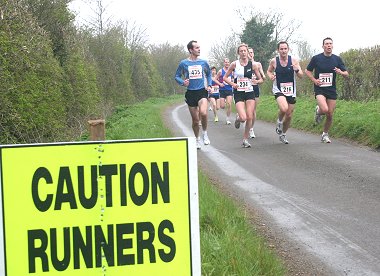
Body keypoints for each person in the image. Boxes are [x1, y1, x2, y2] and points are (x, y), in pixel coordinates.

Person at [305, 37, 349, 143]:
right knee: (324, 110)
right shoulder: (316, 58)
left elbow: (347, 74)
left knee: (330, 113)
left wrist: (341, 72)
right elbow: (307, 71)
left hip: (331, 89)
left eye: (330, 44)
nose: (329, 45)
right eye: (326, 44)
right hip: (320, 88)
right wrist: (314, 80)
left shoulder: (337, 59)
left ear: (332, 46)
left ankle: (325, 134)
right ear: (323, 46)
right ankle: (318, 110)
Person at [175, 40, 213, 149]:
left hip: (201, 91)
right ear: (191, 50)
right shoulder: (184, 63)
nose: (199, 49)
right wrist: (183, 82)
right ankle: (197, 139)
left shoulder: (203, 62)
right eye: (196, 48)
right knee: (196, 121)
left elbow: (209, 74)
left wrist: (209, 85)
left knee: (204, 113)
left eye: (199, 47)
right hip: (191, 93)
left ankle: (205, 134)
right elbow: (177, 76)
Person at [223, 43, 263, 148]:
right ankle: (238, 118)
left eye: (245, 51)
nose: (244, 53)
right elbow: (225, 77)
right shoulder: (234, 64)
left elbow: (261, 79)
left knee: (250, 116)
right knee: (243, 117)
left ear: (247, 52)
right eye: (241, 51)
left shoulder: (253, 65)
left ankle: (245, 139)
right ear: (238, 53)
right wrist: (233, 84)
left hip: (250, 92)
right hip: (239, 92)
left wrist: (256, 81)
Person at [267, 41, 303, 144]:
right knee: (284, 108)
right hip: (278, 89)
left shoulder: (294, 60)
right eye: (281, 49)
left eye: (285, 49)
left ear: (288, 49)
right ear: (278, 50)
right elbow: (269, 71)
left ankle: (283, 134)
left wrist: (297, 70)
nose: (283, 51)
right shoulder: (274, 61)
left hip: (291, 90)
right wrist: (270, 76)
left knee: (289, 115)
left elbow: (301, 75)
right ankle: (279, 122)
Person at [248, 47, 266, 138]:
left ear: (253, 54)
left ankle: (251, 129)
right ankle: (239, 117)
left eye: (251, 52)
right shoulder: (241, 65)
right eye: (248, 52)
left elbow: (263, 77)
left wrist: (260, 79)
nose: (250, 54)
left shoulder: (258, 64)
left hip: (254, 88)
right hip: (244, 89)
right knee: (245, 111)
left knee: (253, 111)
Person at [215, 58, 234, 125]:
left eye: (228, 62)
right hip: (222, 90)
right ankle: (224, 101)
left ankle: (228, 119)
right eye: (225, 62)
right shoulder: (220, 71)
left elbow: (234, 78)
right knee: (222, 106)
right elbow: (215, 79)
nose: (227, 63)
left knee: (229, 104)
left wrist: (233, 82)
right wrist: (220, 84)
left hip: (229, 89)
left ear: (229, 63)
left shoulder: (232, 71)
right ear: (224, 63)